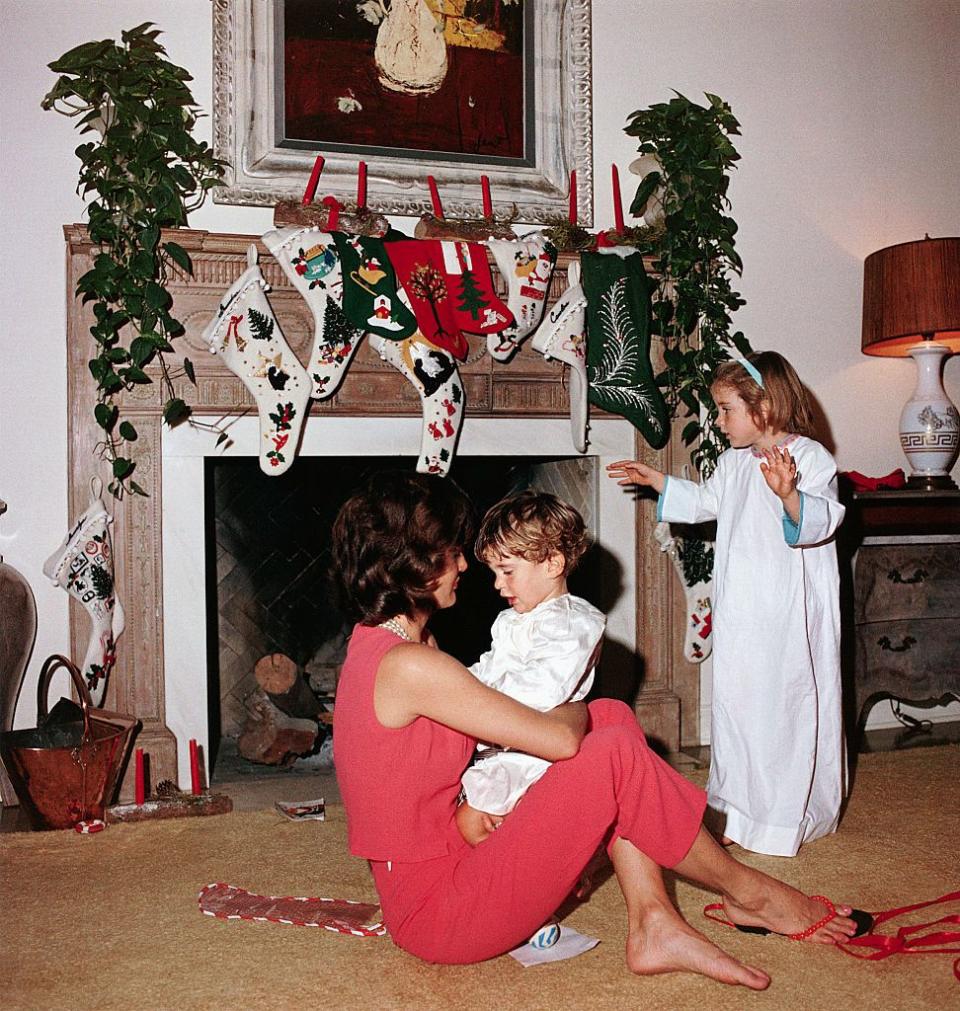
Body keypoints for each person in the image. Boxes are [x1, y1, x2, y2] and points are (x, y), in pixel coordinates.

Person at [330, 469, 869, 984]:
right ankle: (749, 893)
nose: (466, 567)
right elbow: (562, 739)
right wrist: (574, 707)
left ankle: (654, 920)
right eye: (453, 553)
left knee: (611, 717)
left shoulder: (392, 645)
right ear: (417, 566)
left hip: (459, 858)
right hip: (441, 913)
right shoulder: (411, 667)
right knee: (604, 739)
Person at [607, 351, 846, 858]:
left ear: (764, 406)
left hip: (786, 616)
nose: (718, 421)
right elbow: (708, 502)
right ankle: (736, 809)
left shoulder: (810, 459)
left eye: (725, 410)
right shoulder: (736, 461)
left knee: (781, 709)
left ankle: (780, 819)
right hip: (742, 612)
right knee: (739, 708)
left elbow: (823, 521)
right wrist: (661, 484)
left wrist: (789, 496)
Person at [456, 490, 605, 847]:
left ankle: (549, 871)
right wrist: (454, 686)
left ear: (552, 564)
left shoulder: (575, 623)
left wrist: (475, 705)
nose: (497, 584)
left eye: (507, 571)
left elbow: (542, 690)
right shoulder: (510, 620)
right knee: (460, 819)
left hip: (537, 755)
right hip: (502, 746)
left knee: (473, 823)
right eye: (494, 572)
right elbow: (489, 667)